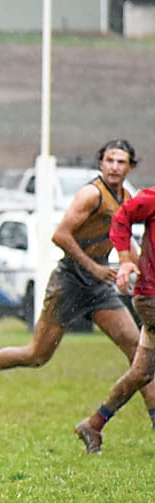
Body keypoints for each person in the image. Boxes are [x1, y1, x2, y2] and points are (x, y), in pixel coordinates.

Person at [0, 139, 155, 418]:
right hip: (69, 280)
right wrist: (92, 267)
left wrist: (137, 264)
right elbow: (60, 235)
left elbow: (124, 238)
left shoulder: (126, 198)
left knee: (135, 350)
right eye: (109, 160)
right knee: (37, 355)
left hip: (99, 285)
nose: (114, 167)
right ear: (101, 163)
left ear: (131, 167)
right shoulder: (91, 195)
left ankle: (149, 417)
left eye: (121, 162)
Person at [75, 187, 155, 453]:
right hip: (151, 297)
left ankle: (94, 424)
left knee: (141, 372)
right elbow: (122, 217)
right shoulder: (151, 198)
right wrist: (124, 259)